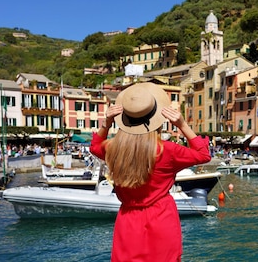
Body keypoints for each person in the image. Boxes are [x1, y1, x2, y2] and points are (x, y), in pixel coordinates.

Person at [89, 83, 211, 261]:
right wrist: (182, 124)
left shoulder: (112, 149)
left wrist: (107, 123)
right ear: (156, 117)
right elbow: (203, 154)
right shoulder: (167, 151)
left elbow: (94, 146)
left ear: (124, 118)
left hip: (128, 221)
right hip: (162, 218)